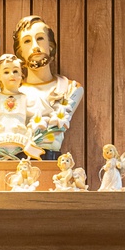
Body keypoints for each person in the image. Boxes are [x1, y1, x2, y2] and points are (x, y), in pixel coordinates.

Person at [13, 16, 84, 156]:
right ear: (20, 52)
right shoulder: (14, 93)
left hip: (52, 157)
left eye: (40, 38)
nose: (35, 46)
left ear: (50, 45)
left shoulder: (69, 89)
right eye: (27, 41)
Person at [0, 53, 46, 160]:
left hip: (21, 141)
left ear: (22, 75)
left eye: (15, 71)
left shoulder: (27, 99)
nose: (12, 75)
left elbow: (35, 119)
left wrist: (29, 131)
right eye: (6, 72)